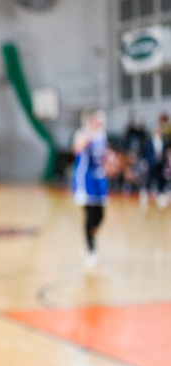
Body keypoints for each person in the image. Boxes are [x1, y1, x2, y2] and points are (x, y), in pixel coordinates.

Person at [72, 110, 108, 268]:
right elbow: (76, 149)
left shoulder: (102, 136)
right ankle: (90, 248)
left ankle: (90, 241)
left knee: (100, 216)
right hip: (85, 180)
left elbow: (103, 157)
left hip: (100, 180)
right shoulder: (83, 134)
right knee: (90, 215)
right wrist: (87, 139)